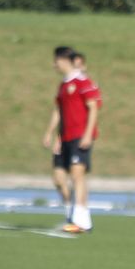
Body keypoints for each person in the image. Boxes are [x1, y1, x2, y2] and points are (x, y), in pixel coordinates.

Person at [41, 46, 101, 234]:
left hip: (79, 136)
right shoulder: (63, 85)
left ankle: (82, 220)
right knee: (58, 178)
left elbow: (93, 107)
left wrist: (87, 133)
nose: (54, 65)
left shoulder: (83, 82)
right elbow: (59, 111)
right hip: (65, 138)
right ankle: (71, 213)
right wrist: (52, 134)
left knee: (77, 175)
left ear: (65, 60)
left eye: (56, 60)